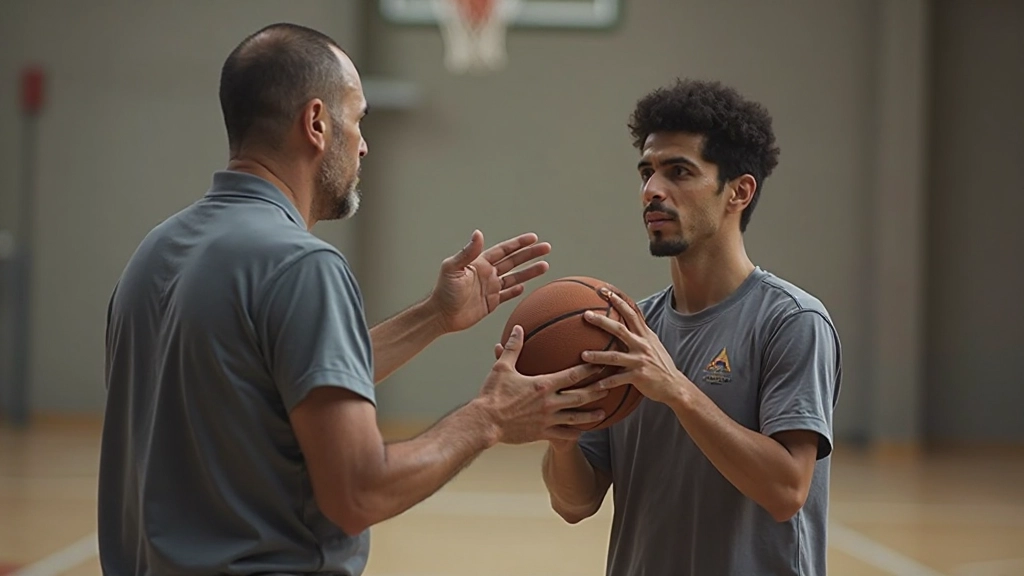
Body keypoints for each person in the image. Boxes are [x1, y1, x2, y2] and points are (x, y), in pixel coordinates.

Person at [97, 23, 609, 576]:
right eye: (358, 118)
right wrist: (489, 417)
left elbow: (277, 382)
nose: (364, 143)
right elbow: (358, 493)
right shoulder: (302, 266)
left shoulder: (154, 254)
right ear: (316, 123)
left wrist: (433, 316)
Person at [538, 79, 843, 575]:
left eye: (679, 172)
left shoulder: (792, 322)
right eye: (646, 172)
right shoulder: (628, 331)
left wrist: (677, 389)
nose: (652, 191)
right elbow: (575, 504)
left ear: (739, 191)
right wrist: (561, 436)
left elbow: (787, 490)